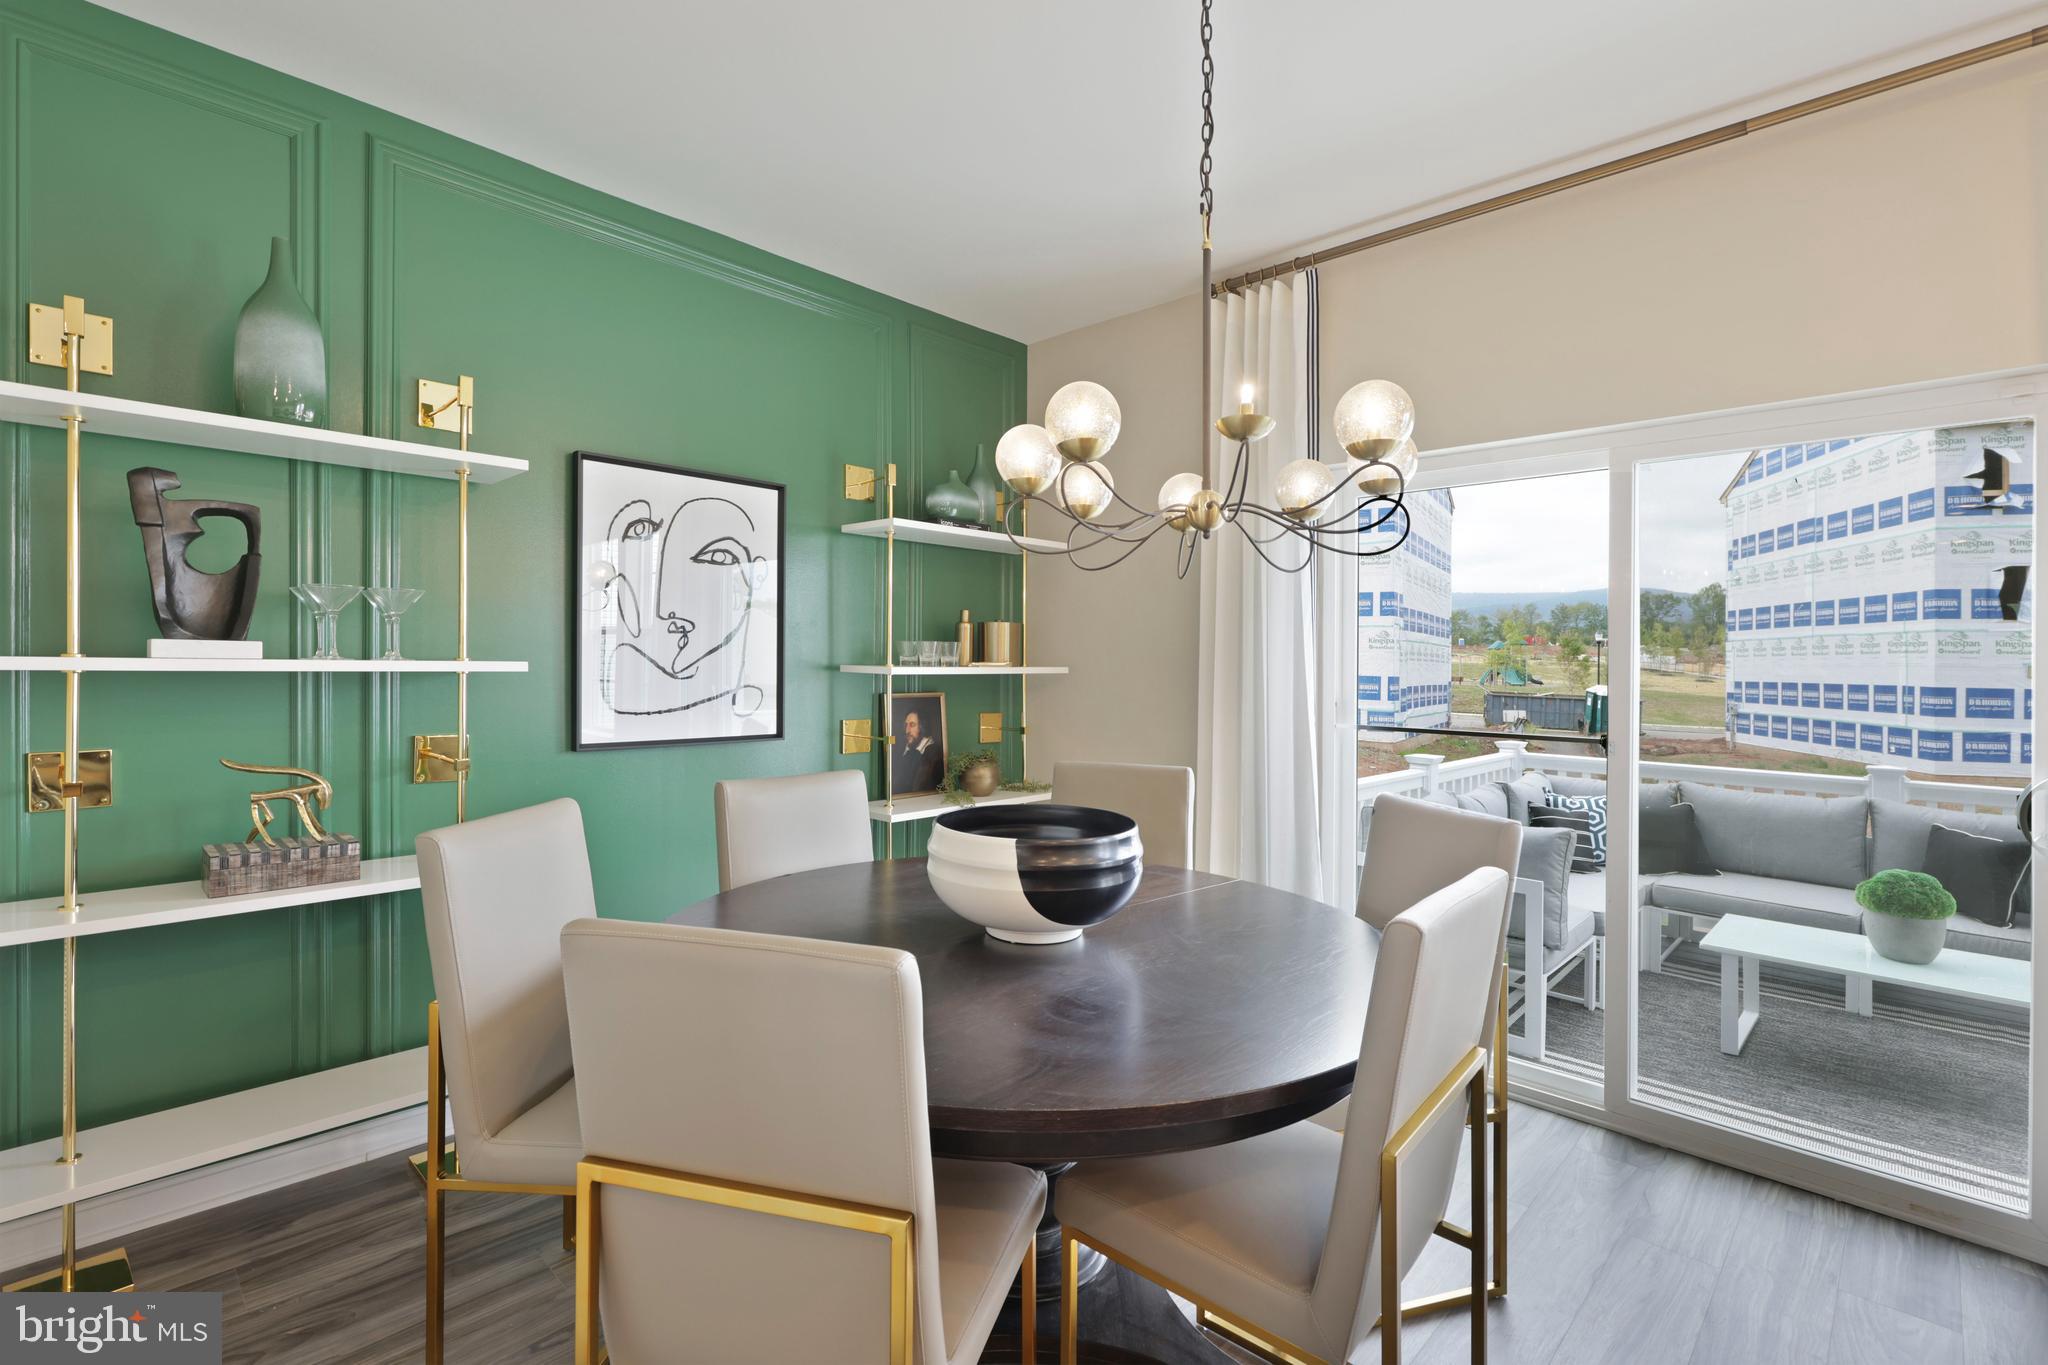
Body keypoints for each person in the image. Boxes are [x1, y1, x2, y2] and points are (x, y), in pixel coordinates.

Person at [893, 708, 943, 793]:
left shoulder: (933, 752)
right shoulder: (907, 750)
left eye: (912, 725)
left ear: (922, 727)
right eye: (906, 725)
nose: (907, 731)